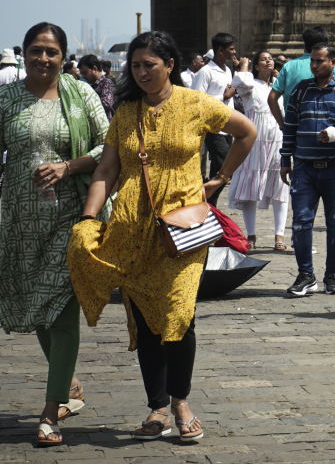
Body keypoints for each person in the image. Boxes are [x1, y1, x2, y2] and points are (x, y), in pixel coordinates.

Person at [68, 30, 257, 443]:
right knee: (144, 317)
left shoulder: (195, 104)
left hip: (183, 229)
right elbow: (106, 172)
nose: (141, 73)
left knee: (178, 312)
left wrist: (220, 178)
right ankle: (156, 408)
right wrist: (88, 218)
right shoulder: (125, 113)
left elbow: (247, 132)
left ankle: (181, 401)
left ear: (170, 65)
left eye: (149, 65)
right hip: (132, 227)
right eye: (135, 66)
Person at [0, 23, 108, 447]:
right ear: (24, 54)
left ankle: (51, 411)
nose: (43, 59)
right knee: (38, 305)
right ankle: (70, 385)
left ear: (64, 56)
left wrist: (68, 166)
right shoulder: (6, 98)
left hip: (69, 215)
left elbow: (109, 145)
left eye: (51, 52)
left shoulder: (80, 94)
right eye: (35, 51)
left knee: (61, 309)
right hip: (20, 221)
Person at [279, 43, 335, 297]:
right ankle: (306, 276)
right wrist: (285, 159)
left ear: (333, 63)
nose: (315, 65)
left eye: (320, 61)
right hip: (304, 169)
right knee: (300, 223)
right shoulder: (301, 91)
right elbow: (290, 126)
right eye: (313, 61)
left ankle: (332, 276)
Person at [226, 51, 289, 251]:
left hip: (278, 140)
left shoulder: (278, 87)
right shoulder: (251, 85)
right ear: (255, 66)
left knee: (281, 187)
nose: (268, 61)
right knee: (250, 187)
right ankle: (251, 234)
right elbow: (238, 82)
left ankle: (280, 235)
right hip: (255, 142)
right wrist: (243, 64)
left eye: (270, 58)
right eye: (263, 59)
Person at [191, 33, 238, 206]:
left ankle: (209, 206)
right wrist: (223, 97)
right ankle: (205, 199)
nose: (234, 53)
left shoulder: (227, 70)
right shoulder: (205, 72)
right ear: (220, 50)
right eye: (231, 49)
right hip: (212, 127)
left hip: (227, 126)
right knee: (225, 166)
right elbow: (197, 100)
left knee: (219, 169)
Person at [268, 26, 335, 130]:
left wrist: (283, 125)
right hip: (330, 131)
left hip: (296, 131)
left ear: (304, 45)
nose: (314, 65)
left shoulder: (289, 66)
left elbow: (272, 98)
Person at [77, 54, 116, 121]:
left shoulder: (106, 83)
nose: (83, 77)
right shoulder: (92, 86)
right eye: (82, 74)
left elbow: (106, 105)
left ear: (95, 69)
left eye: (85, 73)